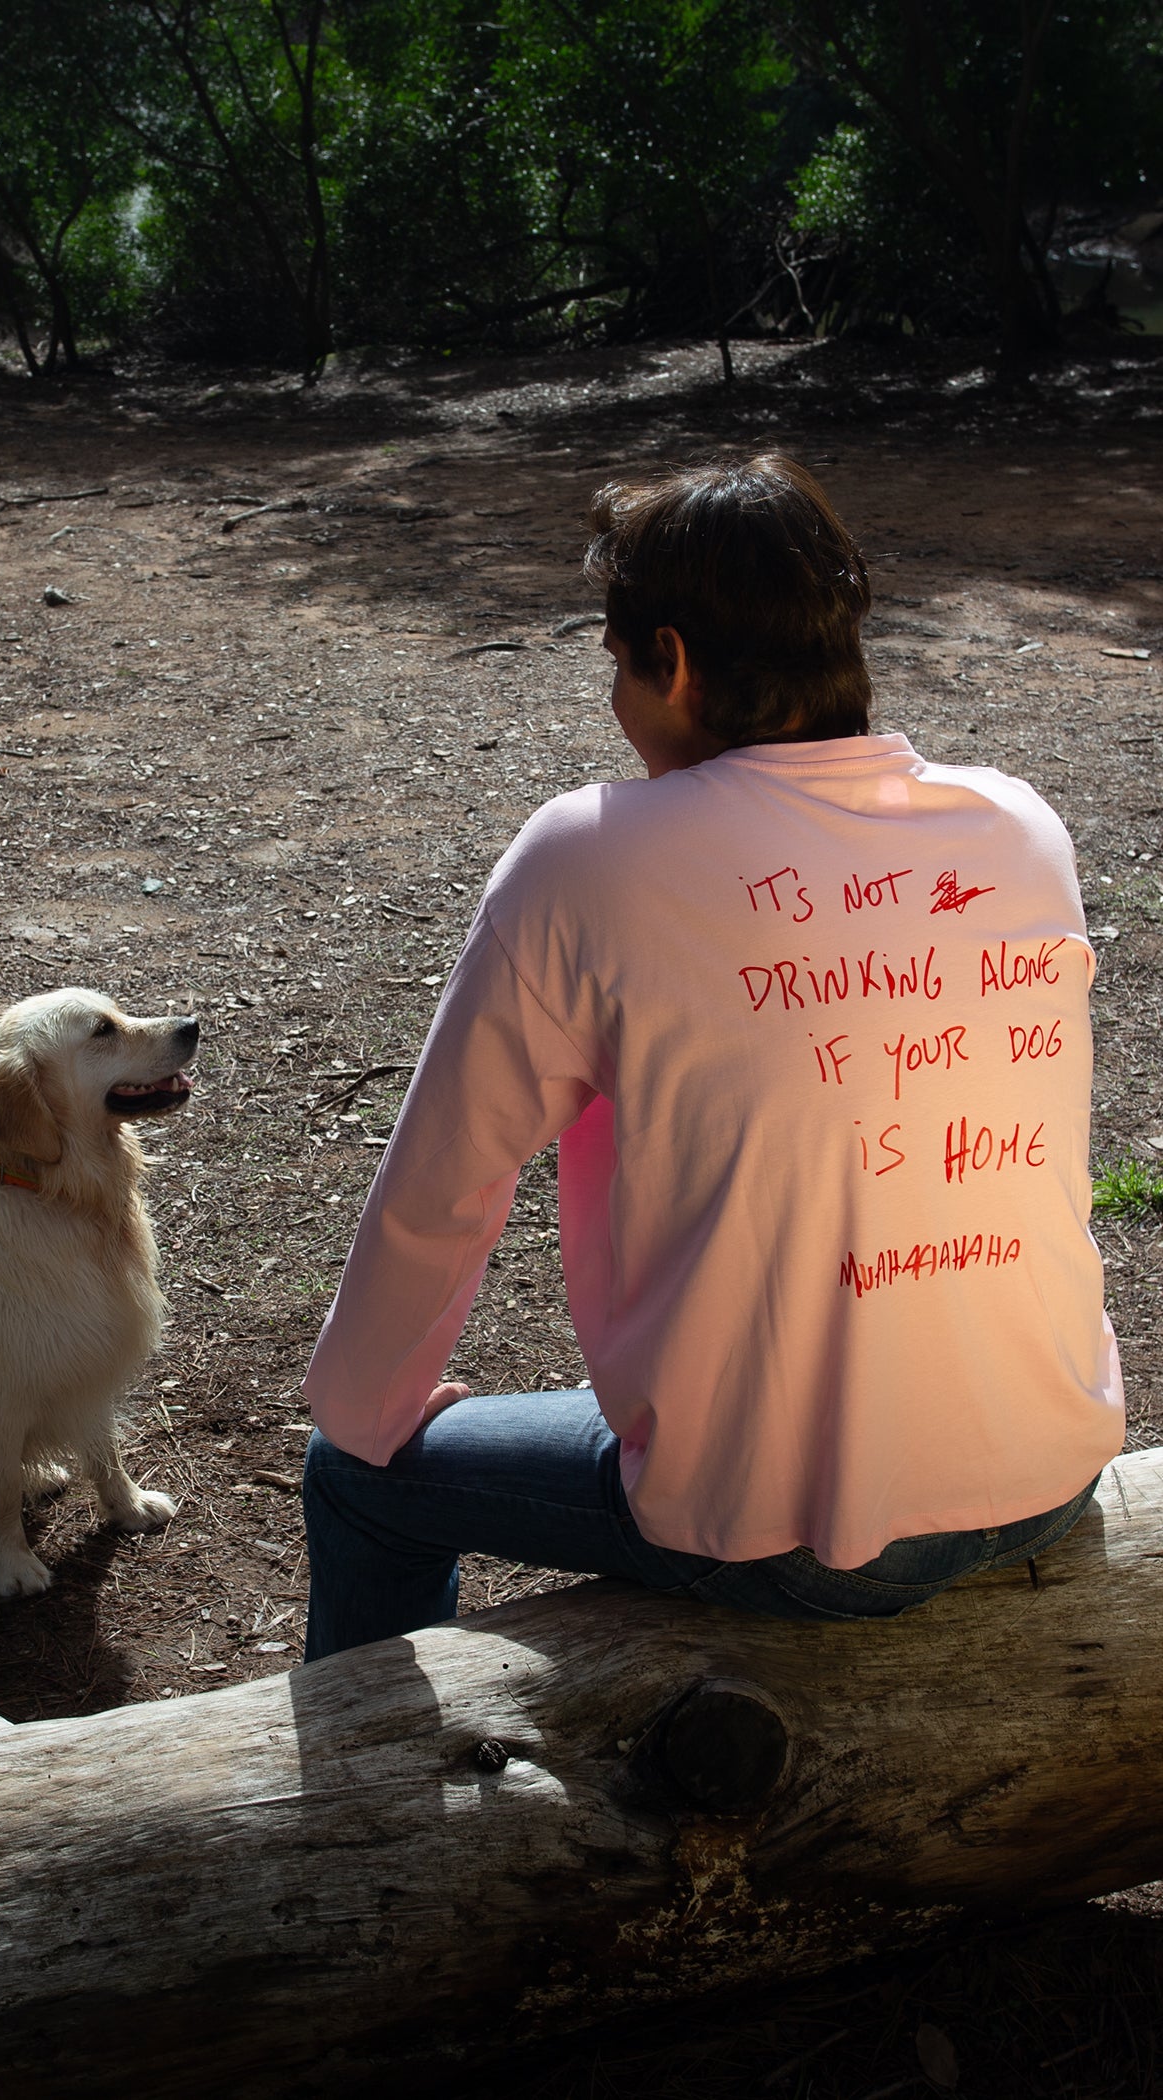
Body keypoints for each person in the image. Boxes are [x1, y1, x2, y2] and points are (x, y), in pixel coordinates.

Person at [299, 452, 1123, 1662]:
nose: (616, 700)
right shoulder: (1014, 825)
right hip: (1049, 1465)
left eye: (615, 662)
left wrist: (368, 1412)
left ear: (671, 662)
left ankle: (353, 1825)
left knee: (354, 1480)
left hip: (797, 1536)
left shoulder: (587, 860)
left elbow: (444, 1187)